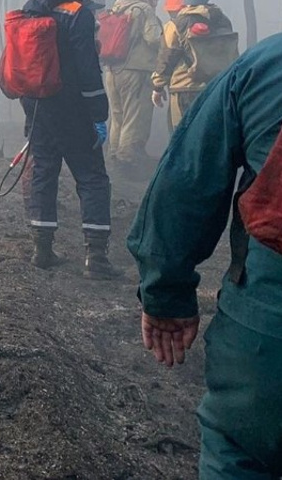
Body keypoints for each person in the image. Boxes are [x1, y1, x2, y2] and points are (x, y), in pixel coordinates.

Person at [127, 34, 282, 479]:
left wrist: (165, 295)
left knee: (240, 452)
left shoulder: (266, 65)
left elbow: (186, 181)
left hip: (267, 326)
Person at [20, 0, 116, 279]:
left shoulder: (33, 6)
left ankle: (41, 250)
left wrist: (28, 109)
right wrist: (99, 114)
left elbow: (22, 61)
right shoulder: (79, 14)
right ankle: (97, 258)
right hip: (73, 110)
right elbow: (89, 72)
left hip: (39, 107)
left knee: (44, 173)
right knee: (92, 177)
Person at [151, 0, 237, 129]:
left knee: (181, 135)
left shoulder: (177, 23)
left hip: (184, 88)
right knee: (209, 133)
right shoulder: (223, 21)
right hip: (217, 86)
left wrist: (157, 87)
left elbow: (167, 57)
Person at [102, 0, 163, 174]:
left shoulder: (116, 8)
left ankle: (114, 153)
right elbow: (154, 38)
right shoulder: (143, 9)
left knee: (117, 114)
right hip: (135, 70)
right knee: (132, 116)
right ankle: (126, 159)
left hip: (112, 69)